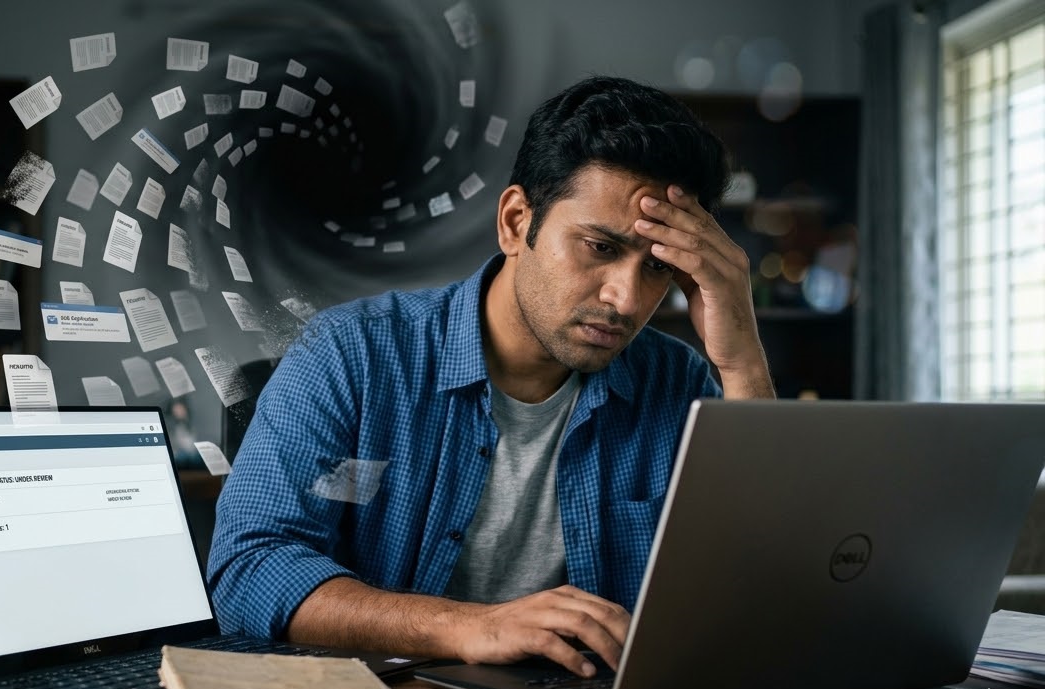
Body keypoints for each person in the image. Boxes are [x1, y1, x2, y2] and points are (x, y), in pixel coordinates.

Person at [206, 75, 775, 679]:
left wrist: (742, 362)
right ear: (515, 222)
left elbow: (764, 588)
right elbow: (249, 566)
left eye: (658, 268)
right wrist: (469, 625)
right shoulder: (352, 355)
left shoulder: (677, 381)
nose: (627, 299)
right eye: (600, 248)